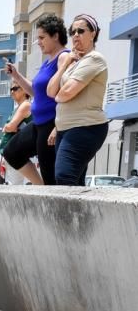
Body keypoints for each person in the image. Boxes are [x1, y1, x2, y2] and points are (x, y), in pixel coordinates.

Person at [2, 14, 69, 185]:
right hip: (38, 124)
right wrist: (16, 76)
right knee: (11, 152)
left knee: (51, 177)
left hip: (50, 124)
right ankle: (39, 188)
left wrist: (57, 126)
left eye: (41, 37)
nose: (38, 42)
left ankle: (46, 193)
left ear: (55, 36)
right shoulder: (47, 62)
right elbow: (35, 91)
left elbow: (68, 92)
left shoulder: (63, 57)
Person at [47, 14, 108, 186]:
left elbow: (66, 93)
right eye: (72, 31)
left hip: (86, 127)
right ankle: (82, 214)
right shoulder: (74, 63)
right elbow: (51, 91)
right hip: (65, 128)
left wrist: (60, 97)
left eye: (81, 31)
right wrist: (65, 63)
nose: (75, 35)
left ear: (93, 34)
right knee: (75, 180)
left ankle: (66, 214)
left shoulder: (95, 59)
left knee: (64, 175)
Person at [0, 83, 32, 185]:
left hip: (19, 152)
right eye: (11, 89)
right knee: (15, 187)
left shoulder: (25, 105)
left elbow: (10, 127)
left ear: (25, 91)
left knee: (17, 188)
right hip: (12, 152)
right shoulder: (18, 108)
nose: (12, 91)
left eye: (15, 88)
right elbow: (9, 129)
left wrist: (7, 127)